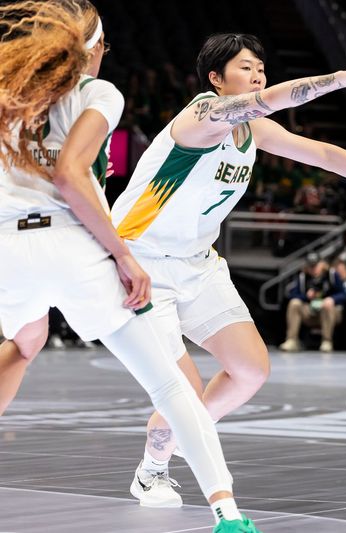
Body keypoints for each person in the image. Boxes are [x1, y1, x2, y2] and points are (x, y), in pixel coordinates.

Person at [109, 33, 346, 506]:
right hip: (139, 261)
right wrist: (345, 79)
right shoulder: (202, 115)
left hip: (198, 265)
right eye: (246, 67)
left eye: (260, 67)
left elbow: (323, 154)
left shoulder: (256, 131)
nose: (258, 74)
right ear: (215, 79)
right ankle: (152, 470)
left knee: (250, 370)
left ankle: (185, 433)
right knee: (183, 388)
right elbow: (270, 99)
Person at [0, 2, 256, 530]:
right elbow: (70, 177)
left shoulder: (8, 94)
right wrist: (122, 254)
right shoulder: (99, 93)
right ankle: (227, 513)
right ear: (91, 50)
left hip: (8, 246)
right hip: (72, 246)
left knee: (23, 345)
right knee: (170, 387)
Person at [280, 254, 346, 352]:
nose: (313, 269)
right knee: (294, 303)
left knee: (327, 306)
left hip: (330, 312)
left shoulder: (331, 275)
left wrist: (332, 299)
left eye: (316, 266)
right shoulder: (303, 277)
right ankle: (292, 340)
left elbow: (344, 294)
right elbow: (292, 295)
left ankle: (327, 341)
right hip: (310, 312)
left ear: (322, 264)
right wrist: (306, 296)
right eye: (311, 266)